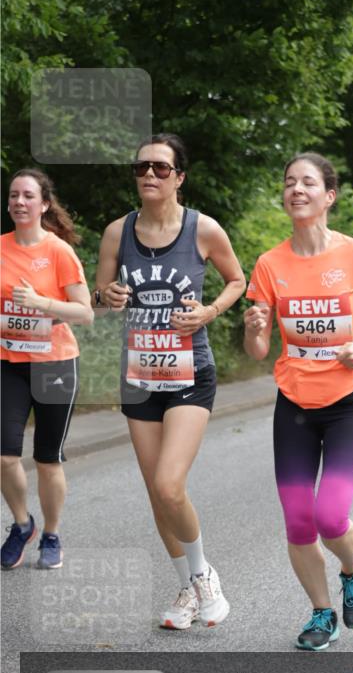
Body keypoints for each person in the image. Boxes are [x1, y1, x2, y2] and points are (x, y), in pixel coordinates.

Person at [244, 153, 353, 651]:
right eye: (290, 182)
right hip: (293, 402)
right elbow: (257, 351)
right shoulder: (271, 264)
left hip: (348, 402)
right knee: (298, 521)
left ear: (328, 195)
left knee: (330, 517)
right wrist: (254, 330)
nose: (297, 189)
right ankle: (321, 615)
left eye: (308, 182)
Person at [94, 134, 245, 629]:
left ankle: (204, 578)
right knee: (155, 493)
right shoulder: (119, 232)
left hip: (189, 374)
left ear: (180, 177)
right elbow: (99, 293)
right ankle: (186, 588)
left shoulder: (203, 230)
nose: (150, 176)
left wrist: (208, 312)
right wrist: (109, 296)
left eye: (161, 168)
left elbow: (237, 281)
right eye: (142, 168)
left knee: (169, 484)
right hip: (138, 377)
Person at [1, 168, 93, 570]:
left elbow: (85, 312)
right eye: (13, 196)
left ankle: (52, 534)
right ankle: (22, 524)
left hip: (55, 365)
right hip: (9, 364)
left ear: (43, 204)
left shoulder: (58, 251)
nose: (19, 202)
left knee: (47, 459)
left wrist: (42, 303)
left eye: (28, 196)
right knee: (4, 457)